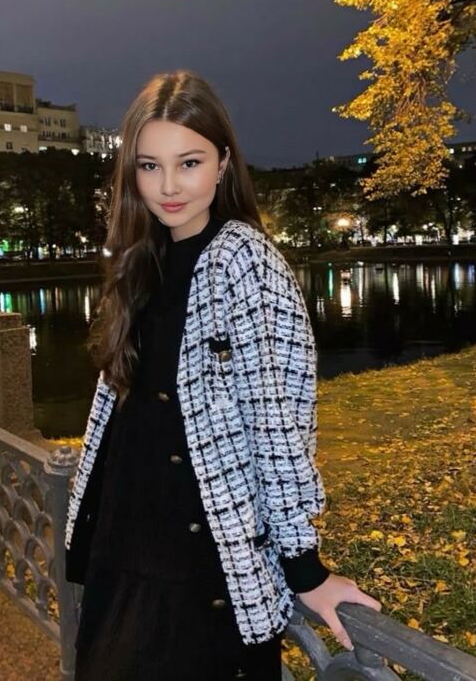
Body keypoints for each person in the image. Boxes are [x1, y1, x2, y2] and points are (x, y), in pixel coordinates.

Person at [64, 70, 382, 680]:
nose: (168, 186)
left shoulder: (245, 260)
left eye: (189, 162)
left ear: (224, 163)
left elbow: (278, 422)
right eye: (150, 166)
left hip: (201, 563)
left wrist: (304, 567)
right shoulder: (143, 259)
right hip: (124, 549)